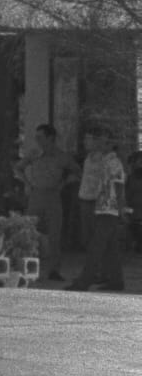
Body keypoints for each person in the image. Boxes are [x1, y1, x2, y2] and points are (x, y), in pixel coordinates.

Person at [71, 123, 128, 292]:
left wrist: (121, 209)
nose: (98, 144)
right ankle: (116, 280)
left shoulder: (114, 162)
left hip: (108, 209)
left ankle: (84, 281)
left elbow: (119, 186)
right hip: (102, 207)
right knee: (110, 247)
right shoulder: (104, 160)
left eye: (102, 141)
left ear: (109, 144)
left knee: (96, 246)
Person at [20, 122, 72, 278]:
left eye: (41, 137)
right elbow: (18, 168)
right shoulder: (34, 154)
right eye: (36, 137)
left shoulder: (62, 156)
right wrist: (27, 183)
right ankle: (26, 268)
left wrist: (63, 184)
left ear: (51, 138)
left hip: (53, 196)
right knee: (30, 232)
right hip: (36, 194)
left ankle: (54, 270)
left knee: (54, 234)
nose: (37, 140)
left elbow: (75, 172)